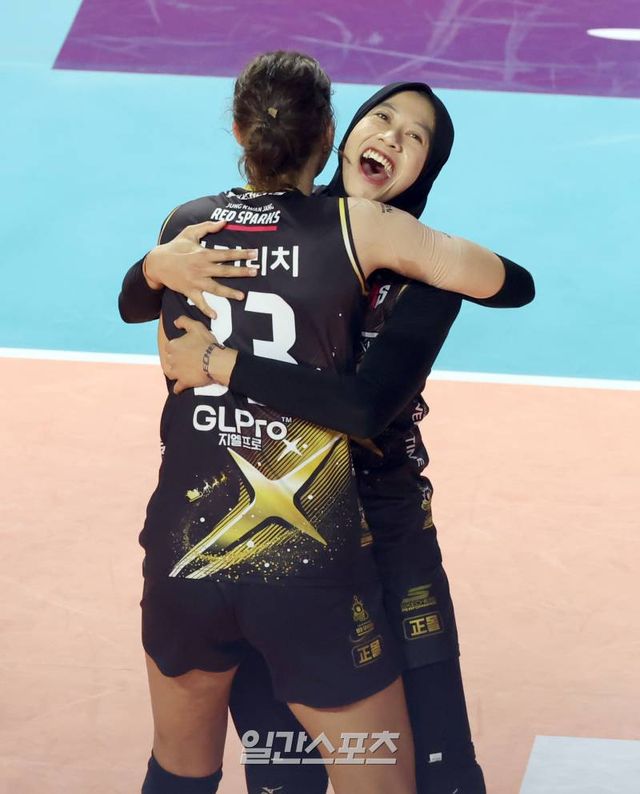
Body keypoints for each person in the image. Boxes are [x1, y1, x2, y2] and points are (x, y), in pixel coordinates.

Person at [123, 53, 528, 794]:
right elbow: (140, 296)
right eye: (383, 117)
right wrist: (151, 267)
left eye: (416, 137)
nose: (394, 136)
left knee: (442, 768)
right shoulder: (267, 234)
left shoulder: (420, 270)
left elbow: (366, 410)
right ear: (336, 133)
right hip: (278, 538)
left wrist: (219, 362)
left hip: (383, 537)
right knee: (286, 774)